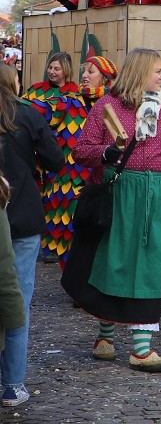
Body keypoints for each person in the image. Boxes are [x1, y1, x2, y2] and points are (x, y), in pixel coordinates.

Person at [62, 48, 161, 373]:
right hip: (120, 193)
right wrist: (107, 151)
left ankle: (141, 349)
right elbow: (81, 150)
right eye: (158, 71)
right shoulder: (108, 107)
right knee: (113, 262)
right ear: (139, 73)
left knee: (152, 265)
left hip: (158, 197)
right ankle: (105, 336)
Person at [0, 63, 63, 407]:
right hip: (21, 214)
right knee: (17, 301)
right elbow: (56, 161)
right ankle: (12, 385)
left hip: (14, 213)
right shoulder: (28, 115)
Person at [22, 52, 90, 265]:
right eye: (50, 67)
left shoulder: (75, 93)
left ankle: (55, 243)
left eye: (57, 68)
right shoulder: (35, 90)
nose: (52, 72)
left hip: (60, 157)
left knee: (56, 201)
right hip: (34, 154)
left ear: (66, 70)